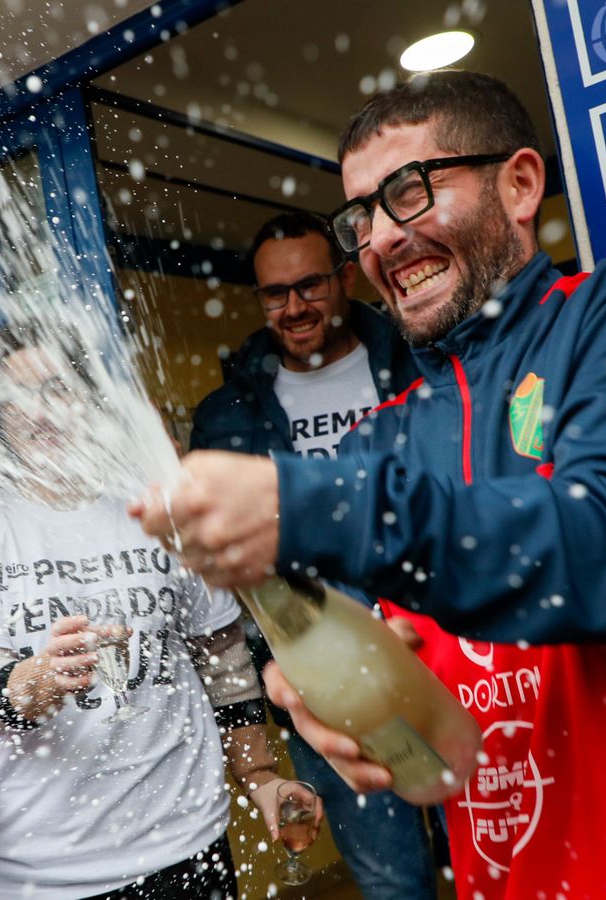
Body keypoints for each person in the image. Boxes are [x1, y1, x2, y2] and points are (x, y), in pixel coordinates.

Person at [133, 71, 606, 899]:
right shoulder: (385, 435)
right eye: (362, 218)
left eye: (410, 192)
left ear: (520, 184)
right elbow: (410, 675)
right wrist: (320, 694)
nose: (382, 239)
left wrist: (305, 504)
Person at [0, 324, 311, 899]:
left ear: (89, 398)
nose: (39, 413)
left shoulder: (153, 500)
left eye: (57, 389)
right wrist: (39, 678)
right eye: (17, 398)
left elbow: (220, 653)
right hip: (48, 868)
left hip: (188, 837)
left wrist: (259, 776)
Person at [189, 211, 438, 898]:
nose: (294, 307)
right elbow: (228, 561)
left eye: (309, 286)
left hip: (440, 649)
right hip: (323, 678)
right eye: (275, 293)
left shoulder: (419, 364)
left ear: (344, 277)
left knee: (490, 839)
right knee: (391, 876)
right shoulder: (226, 416)